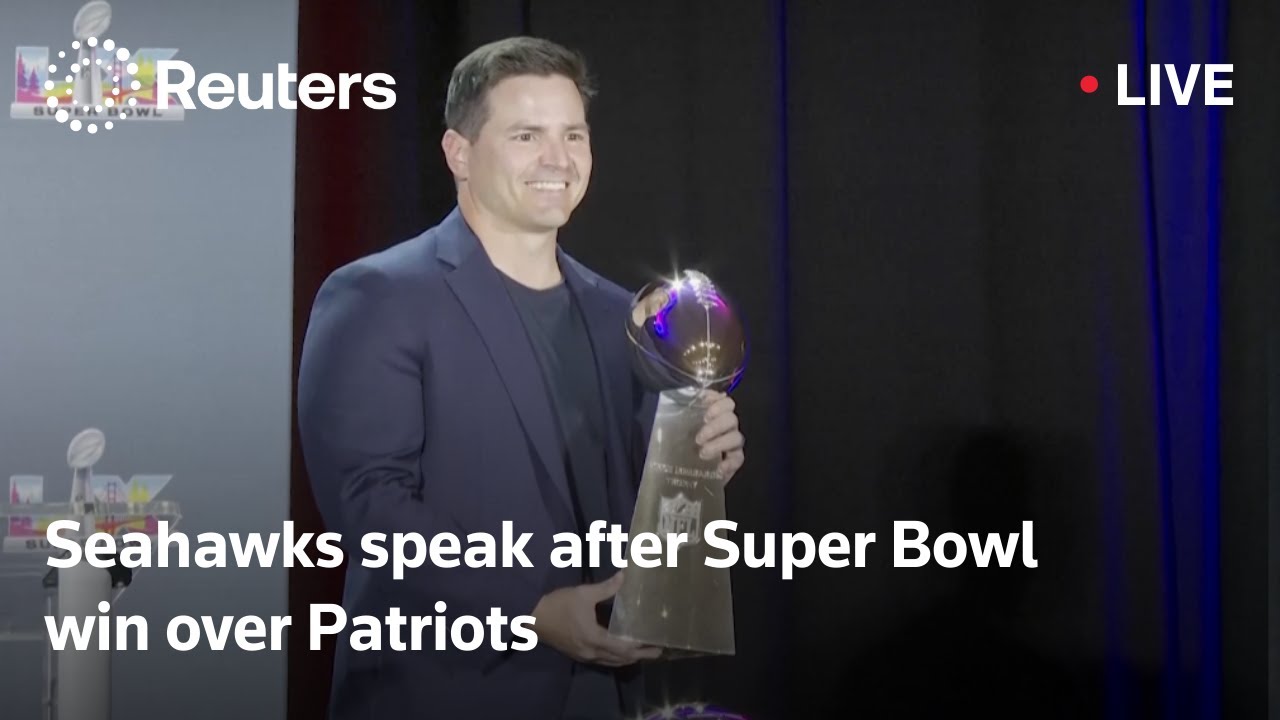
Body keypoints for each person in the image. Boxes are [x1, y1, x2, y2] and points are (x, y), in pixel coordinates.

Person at [296, 36, 746, 720]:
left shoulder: (619, 316)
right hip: (442, 694)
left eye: (573, 135)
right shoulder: (377, 295)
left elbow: (638, 496)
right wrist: (532, 609)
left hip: (600, 693)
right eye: (527, 135)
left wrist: (697, 464)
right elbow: (371, 508)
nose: (558, 159)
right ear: (459, 153)